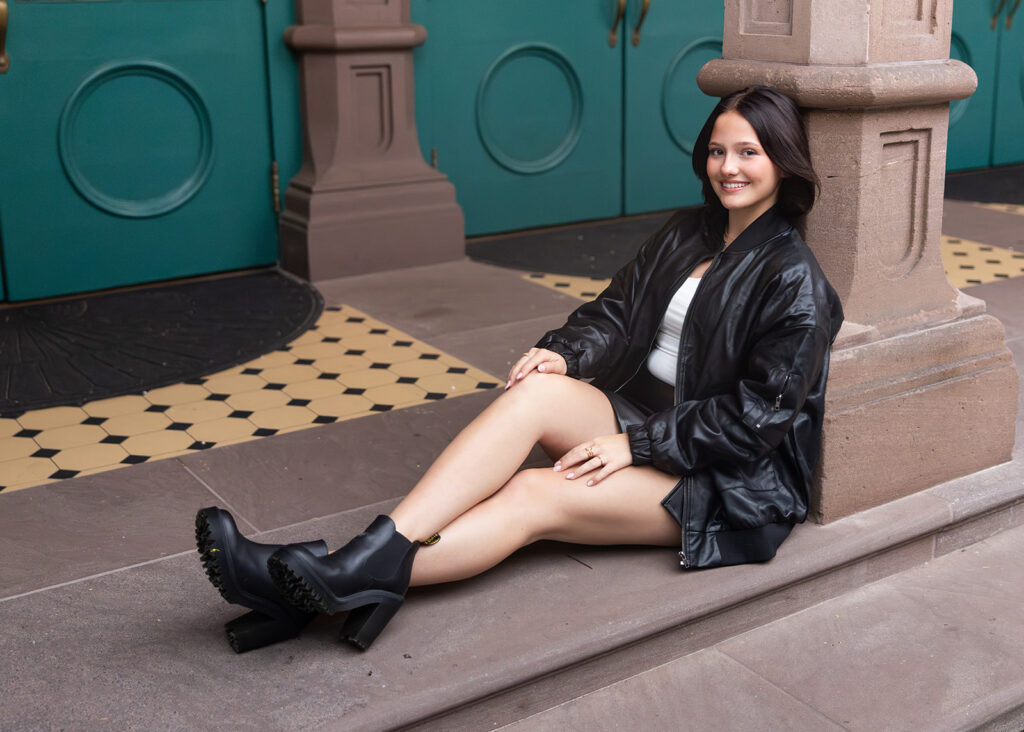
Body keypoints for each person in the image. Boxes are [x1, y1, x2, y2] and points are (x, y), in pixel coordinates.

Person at [195, 85, 844, 654]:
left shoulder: (795, 282)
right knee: (536, 392)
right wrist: (567, 353)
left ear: (784, 163)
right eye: (716, 151)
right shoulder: (689, 232)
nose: (727, 168)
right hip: (647, 419)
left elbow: (753, 422)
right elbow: (615, 314)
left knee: (535, 496)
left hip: (731, 480)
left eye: (748, 153)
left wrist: (636, 445)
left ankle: (315, 581)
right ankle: (353, 570)